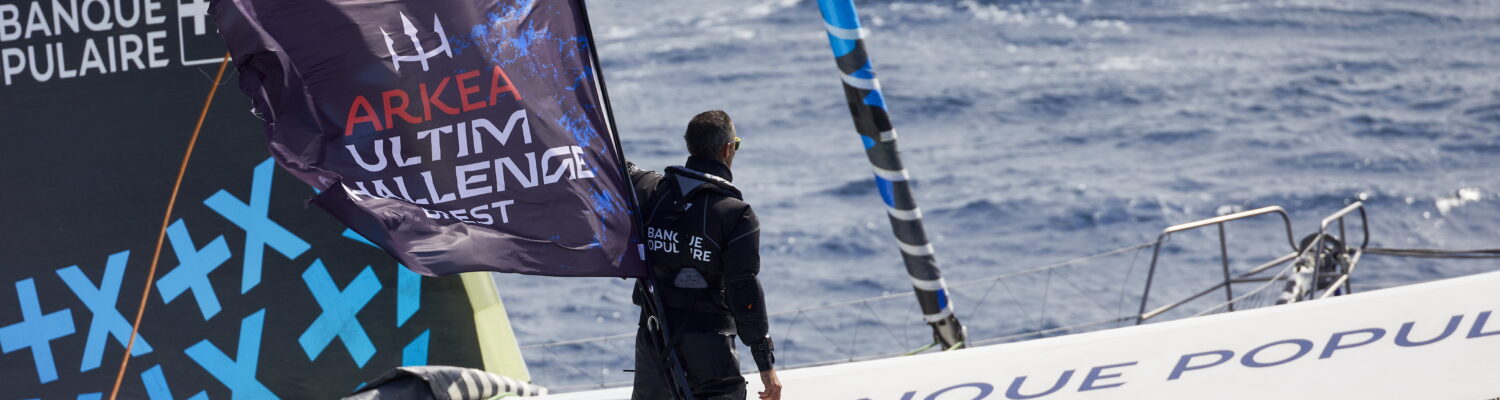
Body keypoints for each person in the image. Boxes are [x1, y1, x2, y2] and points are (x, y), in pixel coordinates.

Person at [628, 110, 781, 400]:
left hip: (653, 338)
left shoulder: (649, 190)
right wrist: (765, 364)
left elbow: (615, 167)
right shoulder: (737, 215)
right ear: (727, 149)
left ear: (690, 146)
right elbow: (743, 290)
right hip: (710, 351)